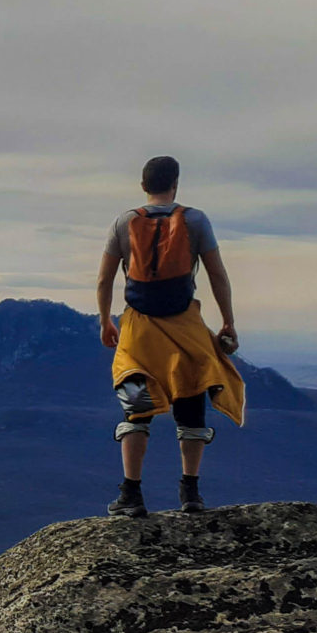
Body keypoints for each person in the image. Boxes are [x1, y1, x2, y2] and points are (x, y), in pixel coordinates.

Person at [96, 156, 246, 517]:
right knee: (192, 403)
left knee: (136, 409)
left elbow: (104, 280)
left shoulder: (124, 221)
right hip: (185, 327)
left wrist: (105, 321)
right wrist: (228, 322)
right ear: (175, 184)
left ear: (143, 185)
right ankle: (190, 493)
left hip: (138, 328)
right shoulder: (195, 220)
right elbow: (217, 276)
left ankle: (131, 495)